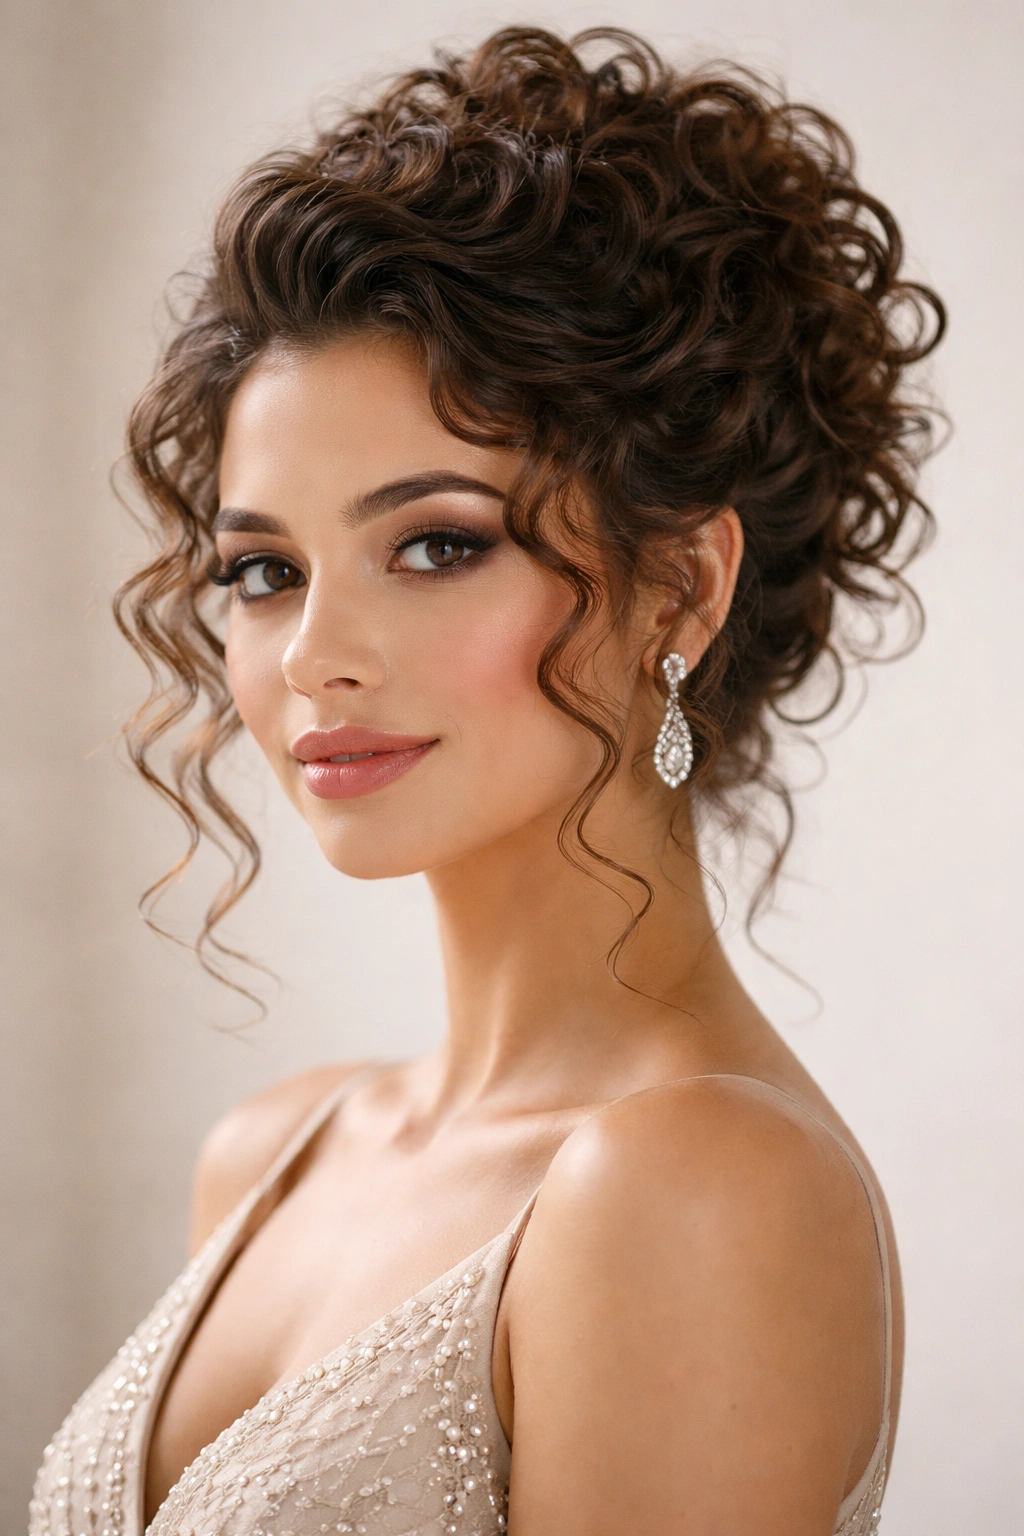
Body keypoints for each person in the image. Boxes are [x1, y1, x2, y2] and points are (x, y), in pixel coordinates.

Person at [30, 26, 944, 1536]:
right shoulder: (276, 1151)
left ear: (680, 590)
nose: (314, 655)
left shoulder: (699, 1187)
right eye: (263, 569)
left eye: (438, 544)